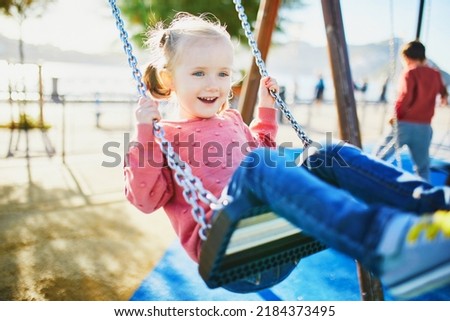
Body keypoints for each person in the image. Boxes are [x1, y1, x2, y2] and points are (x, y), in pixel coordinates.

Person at [123, 13, 450, 299]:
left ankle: (433, 206)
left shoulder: (232, 120)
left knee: (329, 153)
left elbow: (265, 158)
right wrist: (144, 134)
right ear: (169, 79)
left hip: (277, 234)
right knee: (259, 165)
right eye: (198, 73)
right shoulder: (161, 135)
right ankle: (383, 241)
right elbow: (145, 198)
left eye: (223, 74)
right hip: (229, 249)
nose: (214, 84)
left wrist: (266, 106)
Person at [375, 41, 448, 181]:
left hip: (405, 125)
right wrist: (444, 98)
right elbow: (443, 92)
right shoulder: (435, 74)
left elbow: (405, 97)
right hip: (425, 127)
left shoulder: (409, 72)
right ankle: (426, 194)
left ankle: (370, 183)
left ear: (407, 57)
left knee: (380, 156)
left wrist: (395, 115)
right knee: (422, 167)